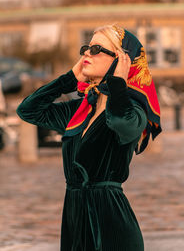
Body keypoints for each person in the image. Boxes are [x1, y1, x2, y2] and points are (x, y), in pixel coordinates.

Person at [16, 24, 162, 251]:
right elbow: (28, 110)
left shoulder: (133, 111)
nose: (86, 53)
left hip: (111, 226)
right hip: (75, 221)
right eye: (86, 47)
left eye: (96, 49)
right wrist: (69, 79)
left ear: (121, 60)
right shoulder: (81, 109)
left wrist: (118, 84)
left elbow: (120, 122)